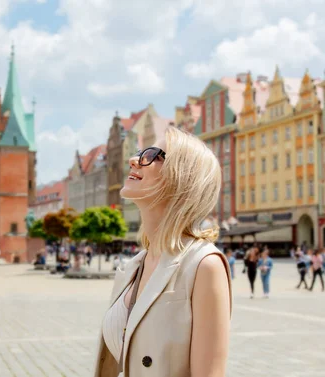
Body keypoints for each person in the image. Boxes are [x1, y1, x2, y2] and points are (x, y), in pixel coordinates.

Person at [95, 127, 232, 377]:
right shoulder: (133, 266)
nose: (134, 160)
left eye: (152, 155)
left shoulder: (204, 265)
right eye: (140, 153)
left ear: (183, 177)